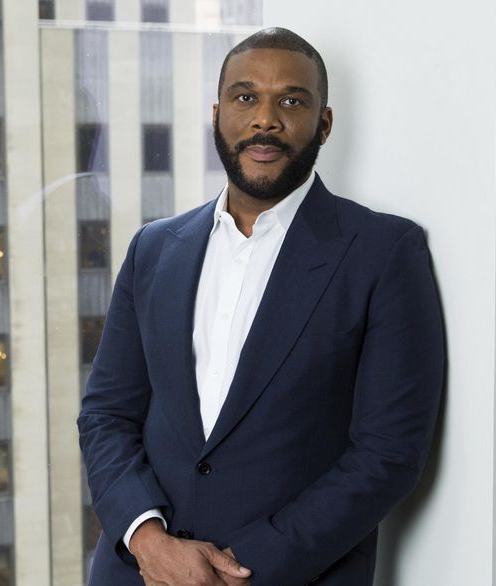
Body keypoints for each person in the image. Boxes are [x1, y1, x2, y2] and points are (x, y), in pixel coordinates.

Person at [78, 27, 444, 586]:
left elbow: (387, 454)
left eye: (291, 101)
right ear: (217, 113)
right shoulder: (153, 248)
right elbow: (107, 414)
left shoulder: (384, 252)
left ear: (323, 123)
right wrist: (146, 538)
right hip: (139, 572)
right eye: (245, 97)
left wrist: (237, 570)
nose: (265, 119)